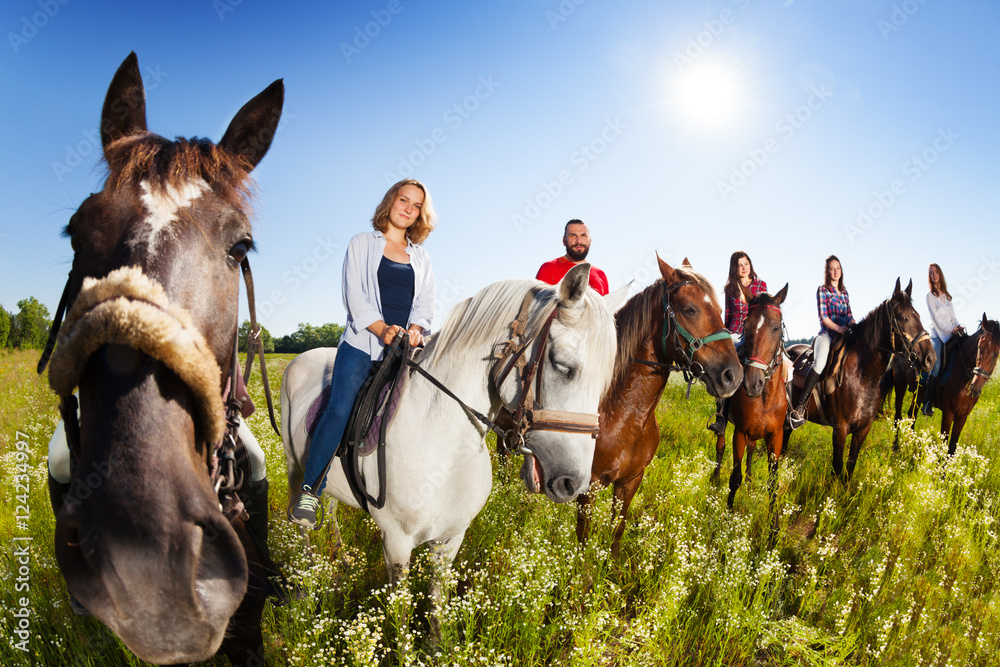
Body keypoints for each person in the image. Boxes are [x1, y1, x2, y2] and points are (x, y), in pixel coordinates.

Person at [289, 179, 436, 528]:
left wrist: (415, 330)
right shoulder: (361, 244)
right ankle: (311, 488)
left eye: (416, 205)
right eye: (404, 200)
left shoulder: (422, 257)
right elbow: (355, 296)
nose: (408, 208)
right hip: (362, 344)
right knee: (339, 409)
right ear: (391, 201)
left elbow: (426, 302)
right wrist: (382, 329)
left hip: (402, 350)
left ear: (420, 214)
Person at [789, 255, 856, 427]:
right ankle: (801, 406)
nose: (835, 272)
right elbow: (824, 318)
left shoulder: (845, 292)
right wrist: (839, 328)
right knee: (819, 363)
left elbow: (849, 316)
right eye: (832, 269)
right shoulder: (822, 290)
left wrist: (855, 326)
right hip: (827, 335)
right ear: (827, 272)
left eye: (838, 268)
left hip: (844, 337)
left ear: (841, 271)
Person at [708, 251, 767, 435]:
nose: (743, 268)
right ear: (734, 268)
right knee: (724, 367)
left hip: (754, 333)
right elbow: (728, 316)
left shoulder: (761, 285)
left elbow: (765, 312)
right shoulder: (730, 289)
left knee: (781, 362)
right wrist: (724, 340)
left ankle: (786, 410)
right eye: (739, 265)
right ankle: (721, 415)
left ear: (750, 265)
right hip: (734, 332)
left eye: (746, 263)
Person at [923, 263, 963, 415]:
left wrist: (958, 327)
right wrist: (950, 329)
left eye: (936, 272)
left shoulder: (946, 295)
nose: (933, 275)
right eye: (931, 273)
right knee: (937, 365)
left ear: (940, 274)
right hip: (938, 334)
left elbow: (953, 317)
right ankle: (927, 402)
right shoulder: (929, 296)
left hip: (952, 332)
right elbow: (936, 320)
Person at [535, 219, 609, 295]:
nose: (579, 241)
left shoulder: (600, 274)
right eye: (573, 236)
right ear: (564, 241)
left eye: (583, 235)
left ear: (590, 240)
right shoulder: (548, 268)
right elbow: (537, 304)